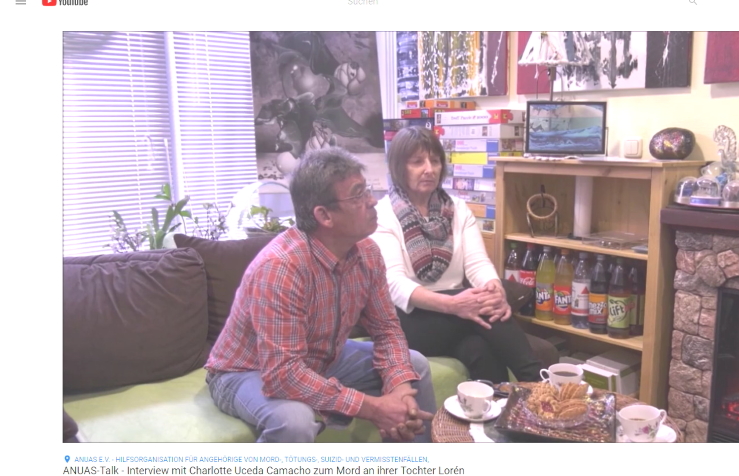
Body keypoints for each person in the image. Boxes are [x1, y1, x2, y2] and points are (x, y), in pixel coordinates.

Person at [205, 146, 435, 443]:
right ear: (324, 215)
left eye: (367, 190)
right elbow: (283, 375)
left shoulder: (368, 253)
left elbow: (387, 329)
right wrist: (374, 408)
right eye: (358, 195)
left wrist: (400, 389)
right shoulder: (280, 268)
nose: (372, 201)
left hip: (320, 359)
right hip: (246, 370)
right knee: (295, 421)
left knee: (413, 366)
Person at [371, 126, 542, 384]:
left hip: (456, 316)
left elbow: (477, 264)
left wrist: (495, 290)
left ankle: (497, 407)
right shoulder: (383, 215)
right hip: (406, 318)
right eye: (417, 162)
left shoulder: (458, 209)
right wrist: (453, 305)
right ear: (399, 167)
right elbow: (394, 284)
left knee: (480, 350)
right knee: (482, 311)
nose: (429, 169)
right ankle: (539, 384)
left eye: (435, 161)